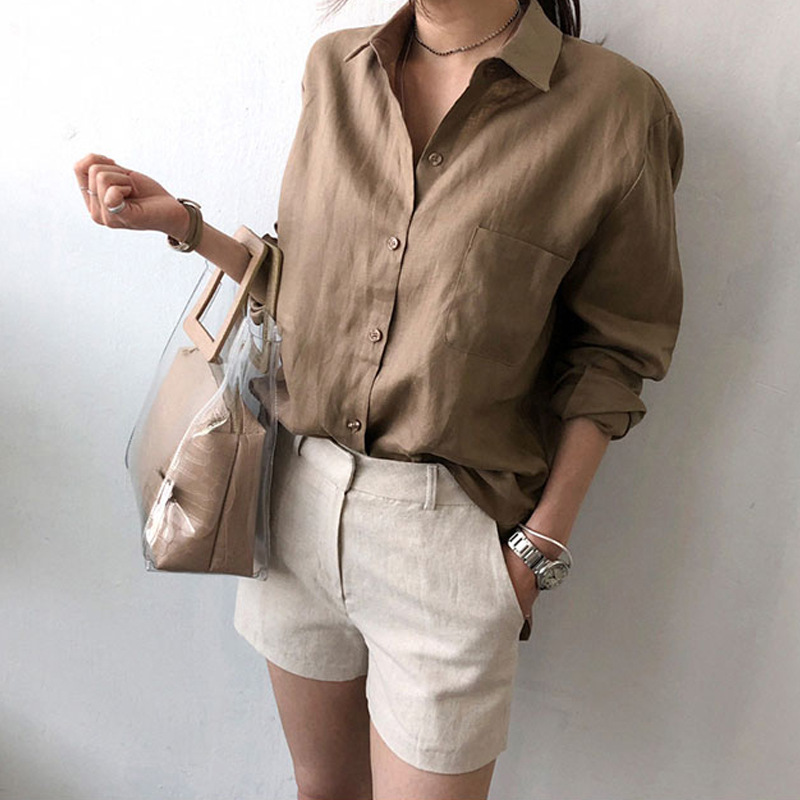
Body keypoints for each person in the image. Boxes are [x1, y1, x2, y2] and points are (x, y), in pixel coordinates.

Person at [74, 0, 684, 796]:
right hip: (296, 505)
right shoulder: (336, 68)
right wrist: (187, 227)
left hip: (447, 535)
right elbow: (309, 287)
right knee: (322, 789)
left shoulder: (613, 107)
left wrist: (537, 551)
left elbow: (616, 348)